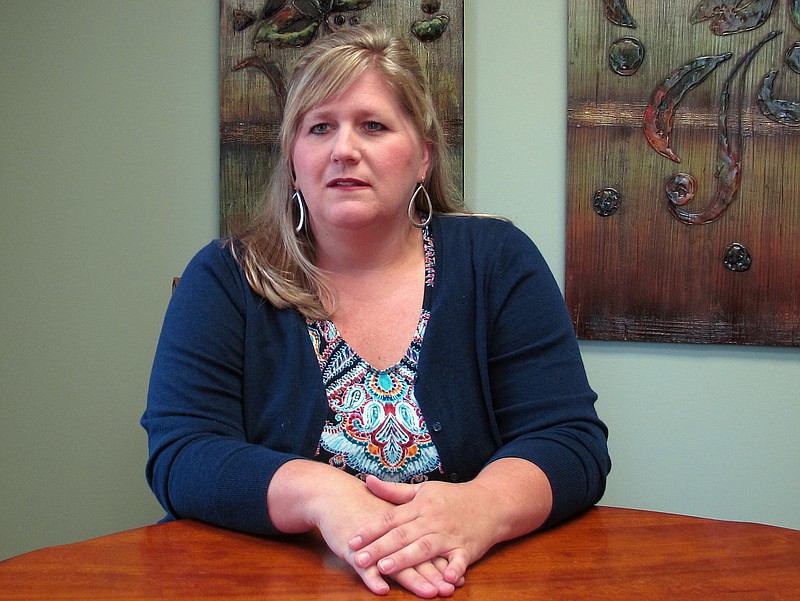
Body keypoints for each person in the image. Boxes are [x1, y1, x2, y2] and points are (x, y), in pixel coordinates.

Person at [142, 24, 610, 598]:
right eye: (319, 128)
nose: (344, 148)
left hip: (465, 585)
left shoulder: (497, 261)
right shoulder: (223, 278)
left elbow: (569, 440)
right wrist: (322, 495)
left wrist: (480, 508)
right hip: (269, 585)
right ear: (293, 163)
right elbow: (180, 454)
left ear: (422, 158)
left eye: (373, 125)